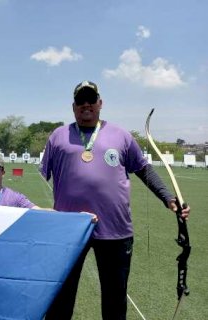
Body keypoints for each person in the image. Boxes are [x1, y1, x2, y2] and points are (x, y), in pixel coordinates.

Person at [41, 81, 190, 320]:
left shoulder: (121, 135)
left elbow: (144, 169)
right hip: (68, 230)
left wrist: (168, 198)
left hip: (115, 230)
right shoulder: (58, 136)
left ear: (100, 103)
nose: (86, 104)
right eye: (81, 100)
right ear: (73, 106)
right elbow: (41, 174)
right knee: (61, 298)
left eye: (91, 99)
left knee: (115, 299)